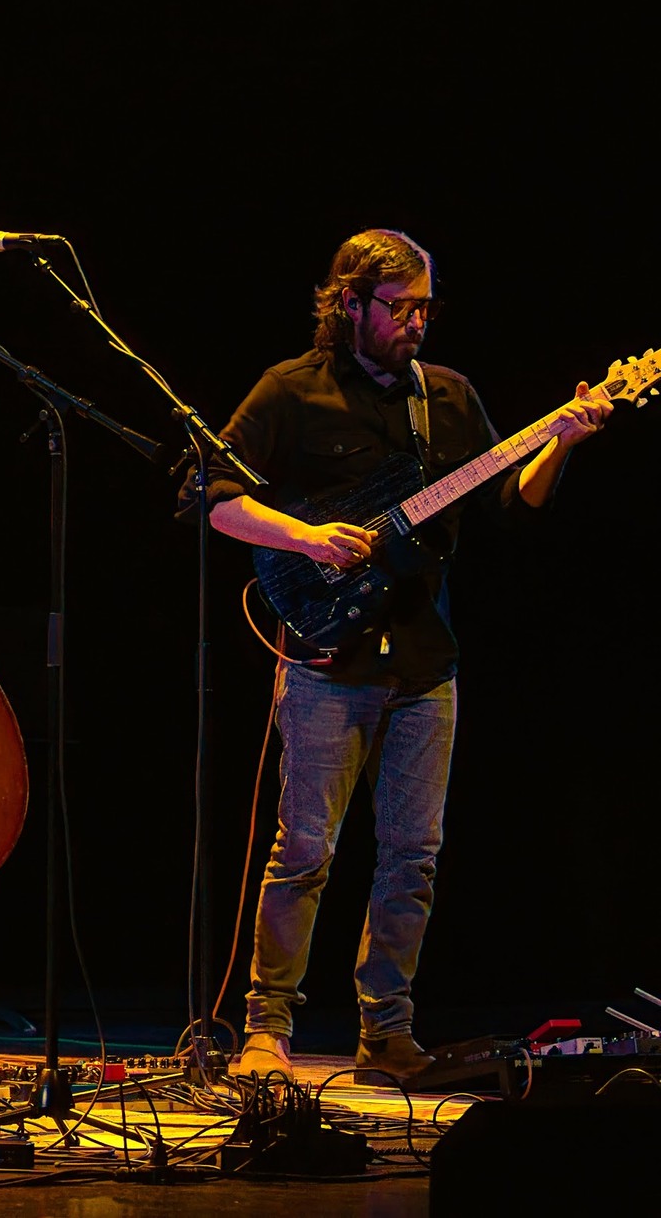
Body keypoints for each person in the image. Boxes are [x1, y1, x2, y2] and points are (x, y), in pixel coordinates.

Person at [201, 229, 610, 1084]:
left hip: (426, 660)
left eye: (427, 306)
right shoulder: (291, 391)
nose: (417, 322)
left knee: (412, 855)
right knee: (304, 848)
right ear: (350, 302)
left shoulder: (448, 398)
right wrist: (307, 537)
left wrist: (561, 443)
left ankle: (386, 1032)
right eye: (400, 307)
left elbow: (509, 505)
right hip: (327, 658)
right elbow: (217, 501)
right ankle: (266, 1028)